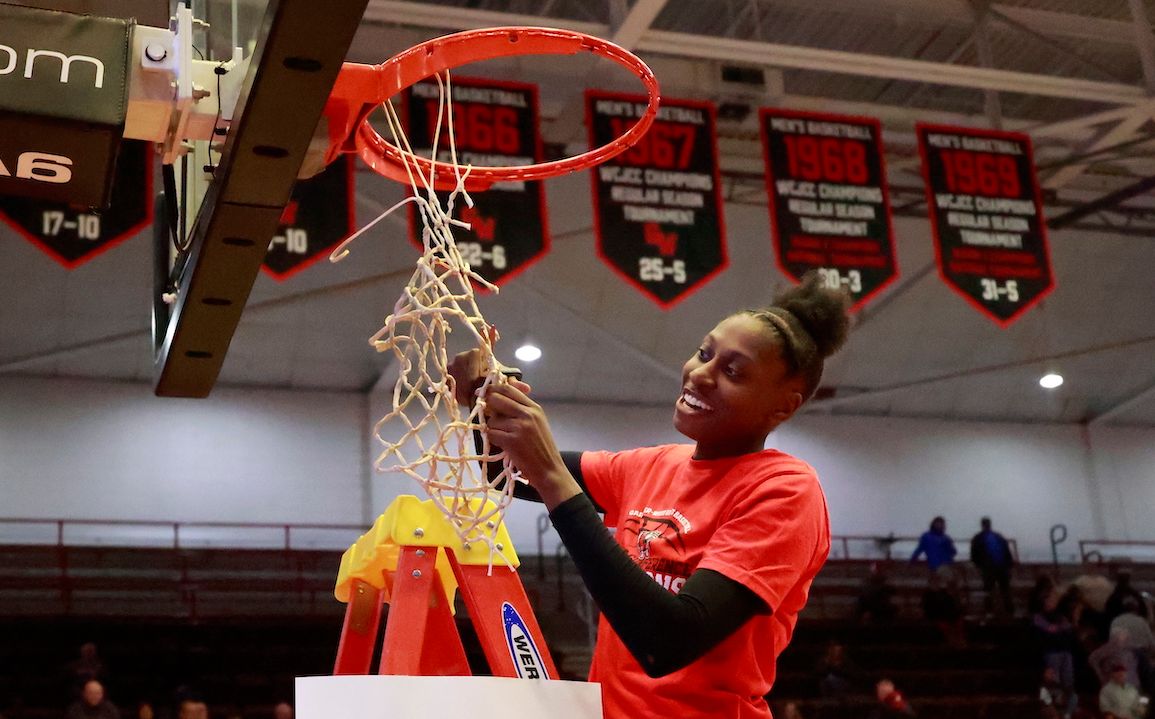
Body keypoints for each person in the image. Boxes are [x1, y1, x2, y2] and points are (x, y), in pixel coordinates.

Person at [449, 273, 851, 718]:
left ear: (784, 406)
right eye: (704, 353)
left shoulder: (785, 489)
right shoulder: (650, 465)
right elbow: (501, 470)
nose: (700, 374)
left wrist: (551, 474)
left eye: (732, 372)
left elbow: (668, 642)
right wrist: (485, 401)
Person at [969, 517, 1015, 618]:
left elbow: (1006, 550)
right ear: (983, 525)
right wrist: (979, 565)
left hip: (1001, 567)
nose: (986, 525)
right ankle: (990, 611)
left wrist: (1009, 564)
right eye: (985, 524)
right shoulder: (979, 538)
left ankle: (1009, 610)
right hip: (988, 568)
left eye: (987, 523)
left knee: (1004, 589)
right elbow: (974, 554)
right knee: (990, 590)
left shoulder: (997, 536)